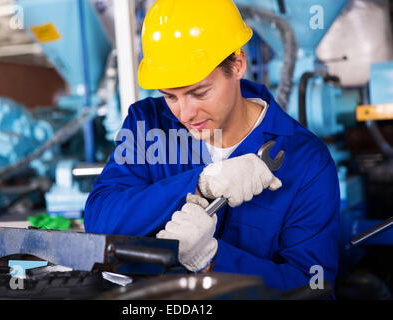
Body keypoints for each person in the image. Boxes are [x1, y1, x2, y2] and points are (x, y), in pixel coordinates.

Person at [84, 0, 340, 291]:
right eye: (171, 96)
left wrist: (211, 259)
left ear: (238, 64)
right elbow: (100, 221)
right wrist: (199, 183)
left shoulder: (307, 163)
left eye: (199, 92)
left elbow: (313, 287)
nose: (185, 114)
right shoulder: (147, 124)